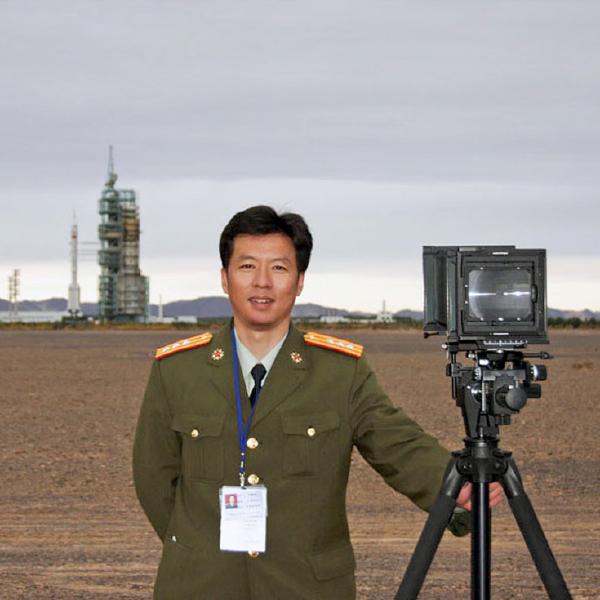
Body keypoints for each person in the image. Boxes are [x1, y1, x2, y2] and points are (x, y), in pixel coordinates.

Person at [133, 205, 503, 599]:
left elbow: (395, 443)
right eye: (247, 267)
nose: (262, 282)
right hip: (200, 585)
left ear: (299, 281)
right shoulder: (177, 370)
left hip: (306, 586)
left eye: (279, 268)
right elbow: (154, 478)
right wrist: (195, 547)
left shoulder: (340, 371)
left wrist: (455, 485)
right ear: (225, 278)